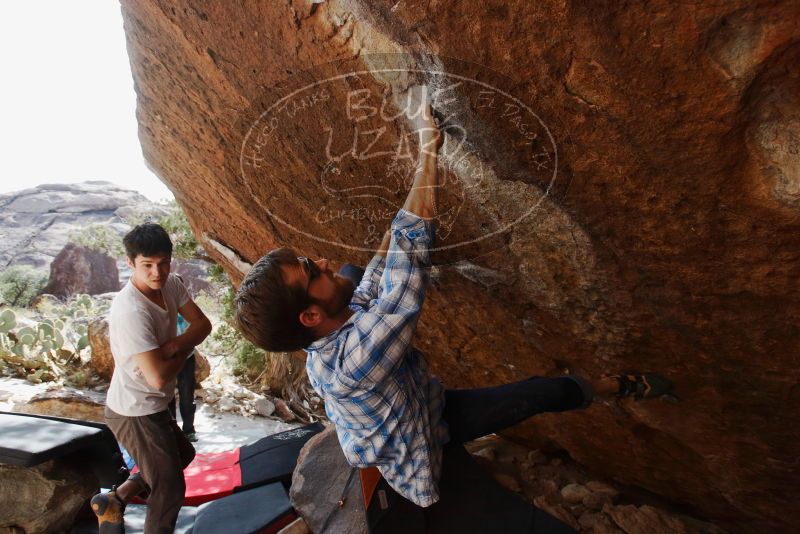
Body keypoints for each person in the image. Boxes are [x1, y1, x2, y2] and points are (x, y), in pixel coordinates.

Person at [234, 88, 672, 526]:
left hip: (430, 409)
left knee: (543, 391)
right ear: (310, 317)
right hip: (420, 468)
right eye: (311, 270)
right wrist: (428, 149)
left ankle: (618, 386)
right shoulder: (352, 364)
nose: (323, 262)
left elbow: (381, 259)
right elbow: (407, 271)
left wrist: (418, 177)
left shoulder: (335, 318)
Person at [91, 223, 212, 534]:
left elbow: (203, 325)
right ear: (130, 263)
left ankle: (116, 499)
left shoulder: (170, 284)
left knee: (184, 453)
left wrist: (174, 346)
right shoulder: (131, 311)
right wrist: (186, 351)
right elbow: (158, 378)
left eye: (163, 263)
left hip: (153, 403)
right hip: (135, 409)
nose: (157, 273)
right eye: (147, 265)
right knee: (169, 488)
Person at [168, 305, 198, 442]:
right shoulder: (157, 307)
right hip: (167, 358)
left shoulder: (186, 308)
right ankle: (172, 431)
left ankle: (189, 431)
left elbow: (198, 327)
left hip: (187, 356)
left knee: (187, 395)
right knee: (167, 396)